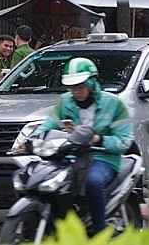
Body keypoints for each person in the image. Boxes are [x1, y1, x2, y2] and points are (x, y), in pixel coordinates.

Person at [28, 58, 133, 235]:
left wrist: (98, 139)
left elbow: (124, 141)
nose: (76, 92)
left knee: (93, 181)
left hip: (102, 158)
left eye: (80, 87)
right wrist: (29, 141)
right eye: (72, 88)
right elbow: (47, 126)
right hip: (71, 157)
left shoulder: (114, 103)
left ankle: (100, 233)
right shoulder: (65, 101)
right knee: (38, 179)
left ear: (92, 83)